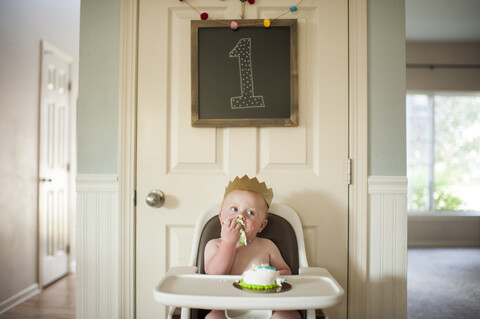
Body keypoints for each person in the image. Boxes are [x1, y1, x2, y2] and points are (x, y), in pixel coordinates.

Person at [204, 175, 301, 319]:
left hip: (267, 307)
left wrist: (269, 277)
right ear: (221, 218)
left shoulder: (267, 246)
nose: (241, 216)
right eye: (234, 209)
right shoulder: (214, 245)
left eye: (251, 212)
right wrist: (228, 243)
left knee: (287, 316)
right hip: (225, 307)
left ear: (262, 225)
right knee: (213, 318)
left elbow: (286, 271)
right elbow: (214, 274)